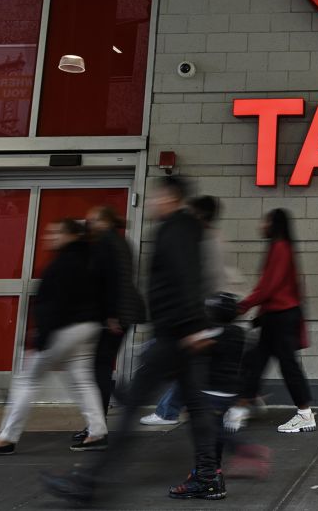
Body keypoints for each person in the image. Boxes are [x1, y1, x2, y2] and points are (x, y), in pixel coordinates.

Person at [43, 175, 225, 503]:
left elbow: (185, 281)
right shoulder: (187, 229)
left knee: (132, 408)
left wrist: (190, 327)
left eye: (158, 197)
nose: (153, 202)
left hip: (176, 335)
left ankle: (88, 483)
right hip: (184, 333)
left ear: (171, 198)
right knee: (197, 407)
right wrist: (197, 328)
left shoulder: (176, 230)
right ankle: (209, 477)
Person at [0, 219, 108, 455]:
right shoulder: (91, 258)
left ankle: (6, 438)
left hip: (63, 330)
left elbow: (53, 303)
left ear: (72, 235)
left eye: (57, 232)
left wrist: (41, 338)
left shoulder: (63, 262)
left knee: (27, 380)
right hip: (88, 327)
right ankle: (97, 432)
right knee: (83, 380)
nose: (50, 237)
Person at [141, 195, 244, 427]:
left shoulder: (203, 240)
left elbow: (202, 278)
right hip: (206, 310)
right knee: (190, 363)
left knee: (183, 359)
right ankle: (172, 409)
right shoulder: (212, 238)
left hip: (202, 311)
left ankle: (168, 410)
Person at [228, 208, 314, 434]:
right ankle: (241, 407)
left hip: (281, 317)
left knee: (286, 365)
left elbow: (268, 286)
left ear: (274, 224)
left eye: (265, 221)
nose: (261, 225)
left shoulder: (280, 248)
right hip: (276, 316)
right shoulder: (281, 247)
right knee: (255, 362)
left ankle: (305, 414)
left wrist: (242, 306)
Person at [75, 205, 146, 448]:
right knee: (101, 368)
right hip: (124, 313)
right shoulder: (120, 241)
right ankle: (101, 420)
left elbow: (110, 281)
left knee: (99, 370)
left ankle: (99, 425)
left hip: (114, 315)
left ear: (103, 221)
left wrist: (112, 315)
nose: (89, 224)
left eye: (92, 220)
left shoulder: (106, 242)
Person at [200, 291, 271, 481]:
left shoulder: (215, 332)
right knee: (219, 431)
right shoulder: (238, 333)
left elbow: (199, 347)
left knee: (214, 432)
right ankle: (215, 467)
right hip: (230, 391)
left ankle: (244, 449)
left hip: (213, 391)